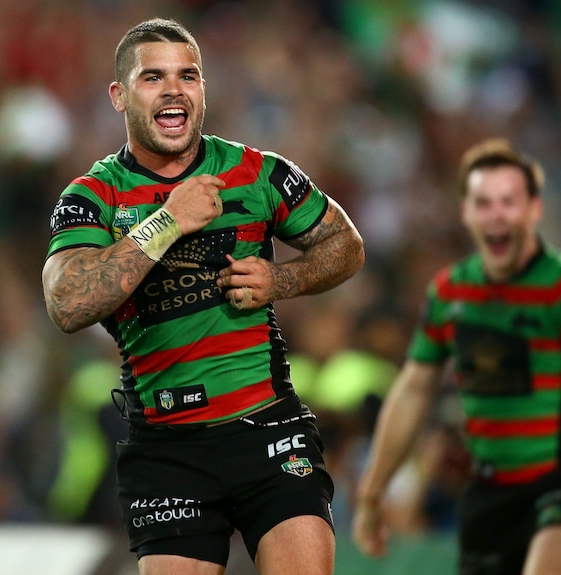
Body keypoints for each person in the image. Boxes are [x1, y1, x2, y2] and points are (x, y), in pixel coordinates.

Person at [41, 17, 365, 575]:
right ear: (119, 96)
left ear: (202, 91)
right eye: (153, 78)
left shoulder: (258, 172)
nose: (174, 89)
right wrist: (167, 221)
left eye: (188, 76)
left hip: (267, 425)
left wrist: (282, 280)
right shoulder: (93, 195)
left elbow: (346, 244)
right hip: (167, 448)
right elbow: (67, 303)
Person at [352, 138, 561, 574]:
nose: (497, 215)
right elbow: (413, 391)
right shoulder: (449, 292)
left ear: (534, 210)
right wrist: (372, 496)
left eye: (509, 201)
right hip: (489, 489)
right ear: (466, 212)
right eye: (484, 203)